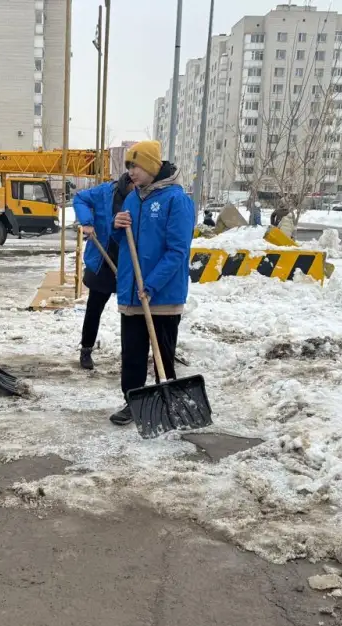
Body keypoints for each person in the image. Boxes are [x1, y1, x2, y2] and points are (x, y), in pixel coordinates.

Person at [109, 140, 195, 426]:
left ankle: (167, 403)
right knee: (132, 354)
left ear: (151, 166)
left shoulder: (176, 199)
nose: (131, 172)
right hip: (133, 294)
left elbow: (178, 251)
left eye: (135, 165)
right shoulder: (133, 198)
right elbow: (124, 244)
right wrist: (117, 227)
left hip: (163, 295)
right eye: (129, 166)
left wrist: (152, 284)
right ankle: (133, 401)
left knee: (163, 354)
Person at [71, 170, 133, 370]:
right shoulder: (106, 192)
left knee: (130, 312)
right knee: (94, 308)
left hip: (129, 262)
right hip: (103, 259)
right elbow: (79, 198)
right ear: (129, 182)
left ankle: (131, 354)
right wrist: (87, 222)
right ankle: (86, 350)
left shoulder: (144, 195)